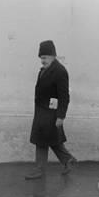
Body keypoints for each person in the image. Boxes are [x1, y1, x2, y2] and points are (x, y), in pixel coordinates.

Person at [25, 40, 77, 180]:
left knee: (41, 141)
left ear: (53, 56)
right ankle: (67, 159)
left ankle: (39, 170)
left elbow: (64, 96)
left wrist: (61, 116)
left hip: (51, 113)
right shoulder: (45, 70)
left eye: (45, 58)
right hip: (42, 111)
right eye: (41, 58)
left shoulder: (60, 71)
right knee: (52, 139)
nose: (42, 61)